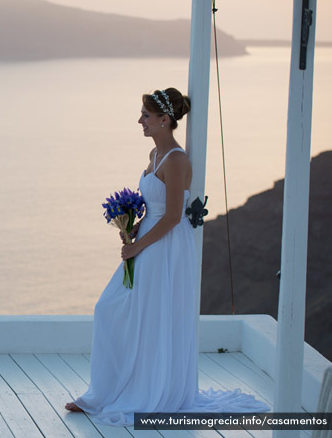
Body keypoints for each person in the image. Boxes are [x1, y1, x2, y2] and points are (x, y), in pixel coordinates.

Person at [65, 88, 267, 425]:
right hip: (146, 240)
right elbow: (153, 210)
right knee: (113, 309)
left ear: (164, 119)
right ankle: (105, 391)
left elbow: (173, 216)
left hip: (167, 247)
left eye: (145, 115)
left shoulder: (176, 159)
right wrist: (131, 229)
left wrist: (137, 246)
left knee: (152, 316)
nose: (140, 121)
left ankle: (147, 392)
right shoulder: (153, 156)